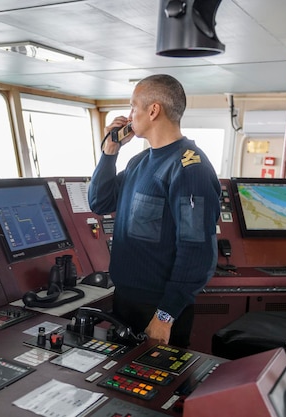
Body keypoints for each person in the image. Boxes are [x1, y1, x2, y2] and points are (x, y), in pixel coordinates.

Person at [87, 74, 220, 348]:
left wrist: (165, 315)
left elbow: (197, 252)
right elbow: (100, 202)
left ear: (153, 110)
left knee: (156, 388)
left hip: (159, 307)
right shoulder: (139, 162)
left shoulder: (189, 169)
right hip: (125, 298)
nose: (130, 115)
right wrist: (110, 151)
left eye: (134, 106)